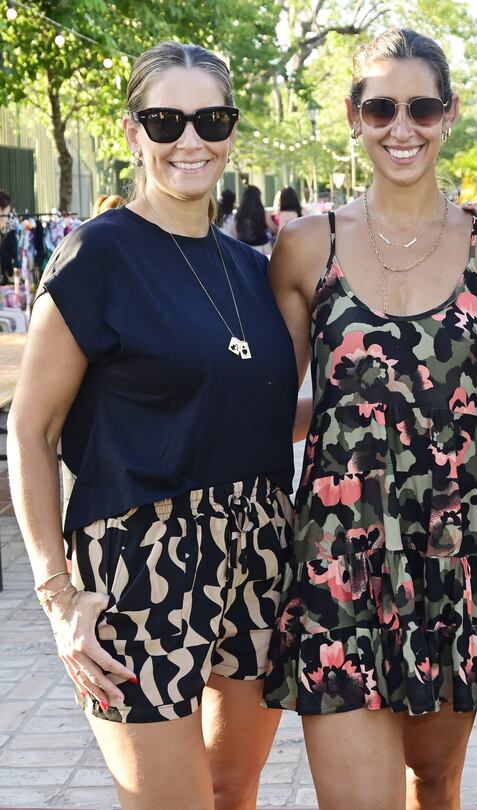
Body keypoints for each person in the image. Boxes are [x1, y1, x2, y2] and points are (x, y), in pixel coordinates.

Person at [8, 41, 297, 810]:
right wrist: (57, 595)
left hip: (260, 550)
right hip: (142, 561)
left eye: (211, 118)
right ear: (134, 132)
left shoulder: (249, 268)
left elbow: (249, 411)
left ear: (232, 131)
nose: (190, 140)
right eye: (166, 120)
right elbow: (29, 432)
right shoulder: (94, 258)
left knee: (234, 790)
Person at [263, 28, 477, 810]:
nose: (401, 126)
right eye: (381, 106)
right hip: (337, 560)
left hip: (454, 558)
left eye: (422, 106)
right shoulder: (306, 248)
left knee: (435, 781)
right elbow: (274, 408)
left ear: (450, 115)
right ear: (354, 115)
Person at [235, 184, 276, 254]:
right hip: (262, 247)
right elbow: (273, 228)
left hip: (243, 248)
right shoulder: (262, 212)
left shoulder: (239, 213)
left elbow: (236, 232)